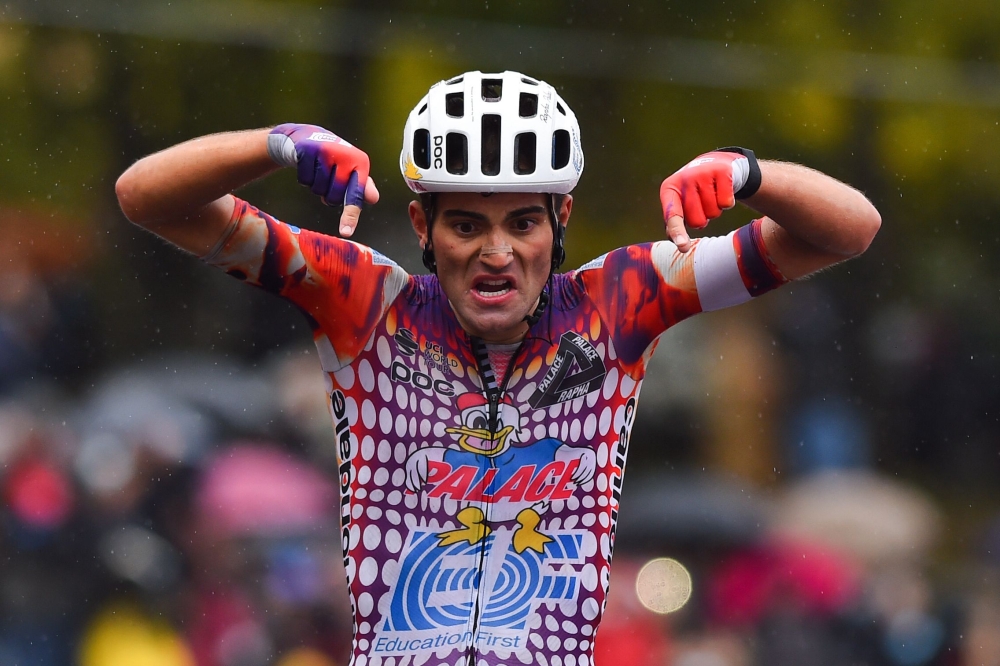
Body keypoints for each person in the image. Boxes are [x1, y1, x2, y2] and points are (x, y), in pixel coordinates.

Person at [115, 70, 880, 666]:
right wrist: (273, 145)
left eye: (521, 222)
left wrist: (750, 174)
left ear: (561, 222)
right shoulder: (363, 302)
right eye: (466, 224)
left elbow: (849, 230)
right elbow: (144, 198)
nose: (496, 252)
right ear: (423, 225)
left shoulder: (620, 302)